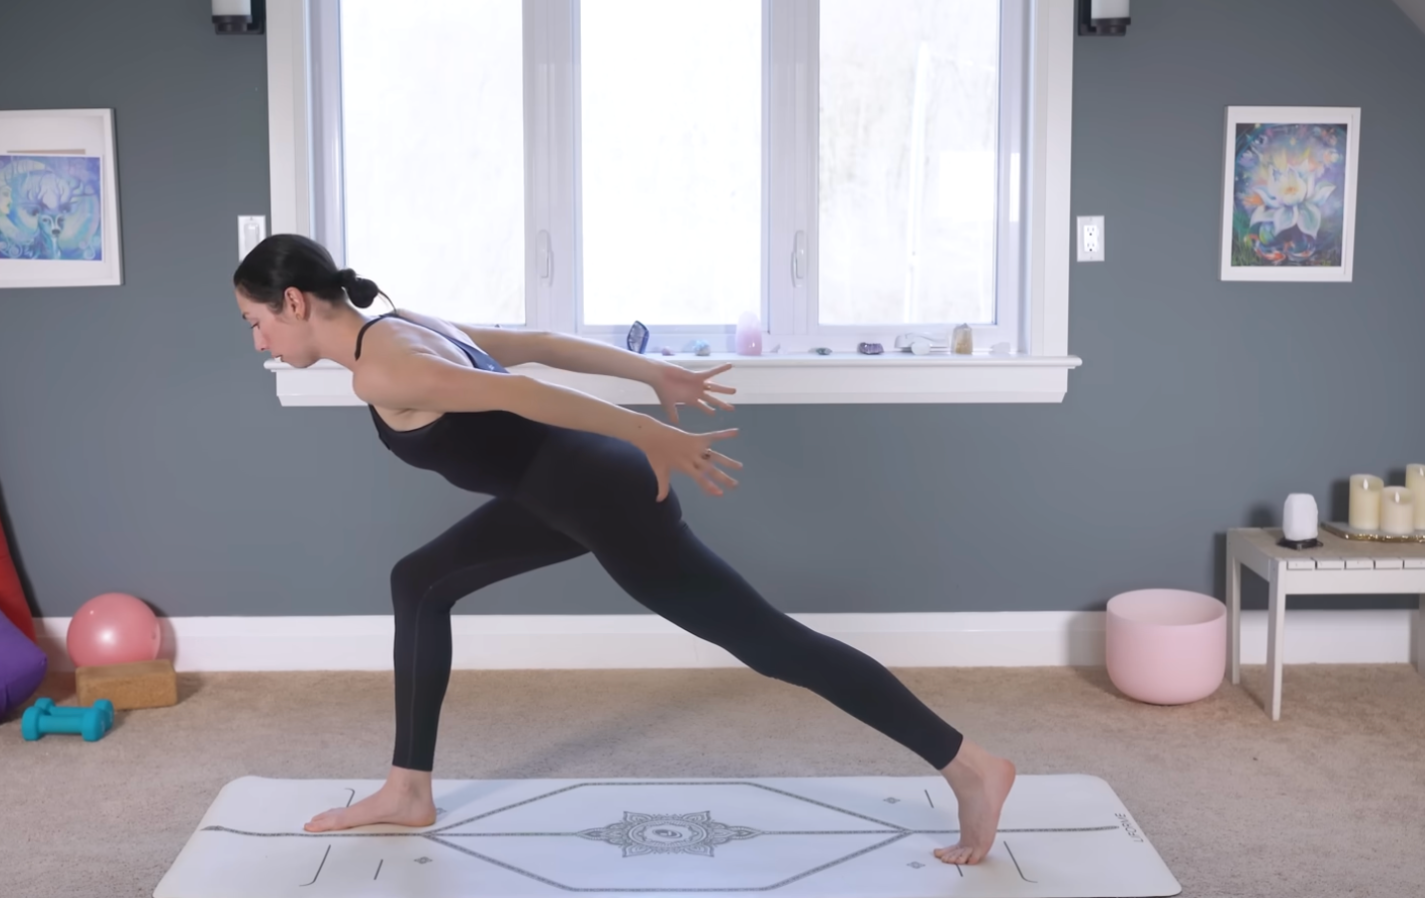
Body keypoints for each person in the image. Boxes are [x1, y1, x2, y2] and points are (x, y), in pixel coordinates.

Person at [233, 234, 1017, 865]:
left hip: (604, 499)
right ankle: (409, 790)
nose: (258, 339)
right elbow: (539, 345)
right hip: (564, 492)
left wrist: (650, 430)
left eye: (256, 322)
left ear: (293, 301)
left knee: (770, 643)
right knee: (420, 581)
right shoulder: (404, 326)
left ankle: (969, 764)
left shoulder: (383, 369)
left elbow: (519, 390)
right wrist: (650, 372)